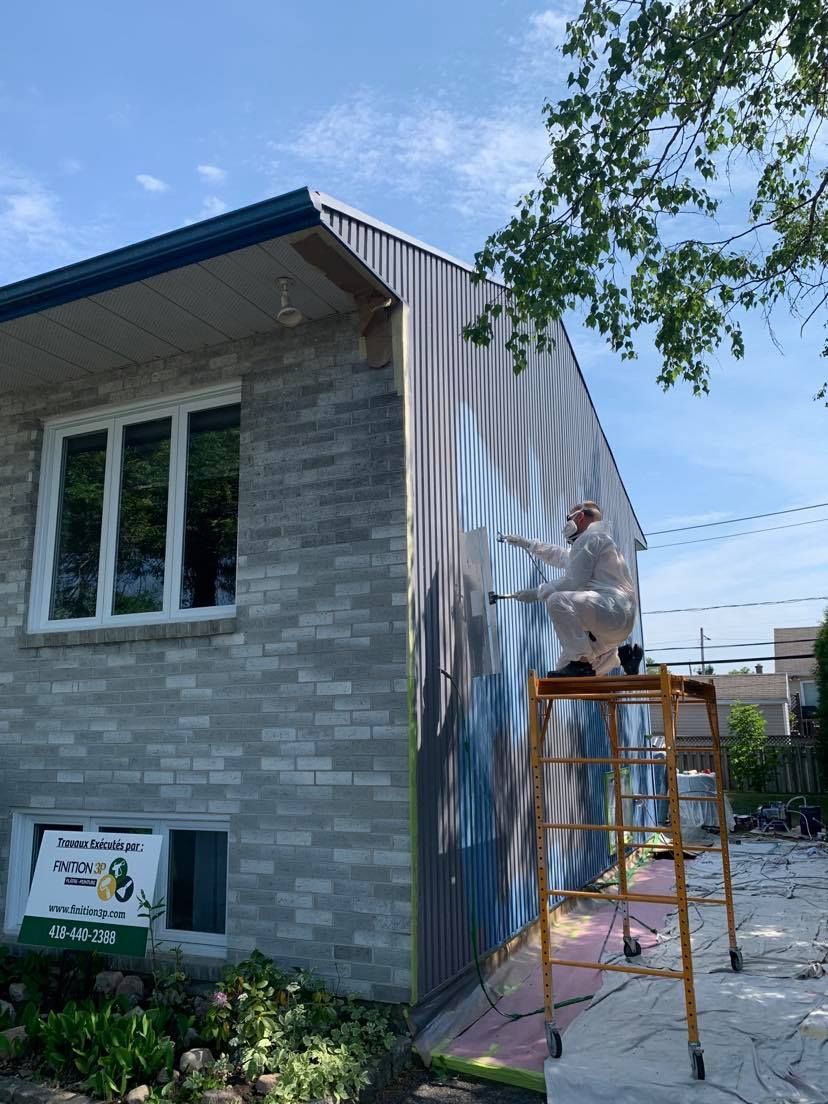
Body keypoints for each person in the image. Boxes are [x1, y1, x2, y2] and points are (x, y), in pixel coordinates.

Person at [497, 502, 643, 677]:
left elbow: (574, 582)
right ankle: (623, 654)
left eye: (568, 517)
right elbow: (561, 556)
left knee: (557, 600)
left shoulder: (591, 538)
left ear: (579, 517)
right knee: (562, 673)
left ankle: (581, 664)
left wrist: (537, 593)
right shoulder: (597, 542)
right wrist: (529, 544)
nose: (566, 523)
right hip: (614, 624)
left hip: (612, 611)